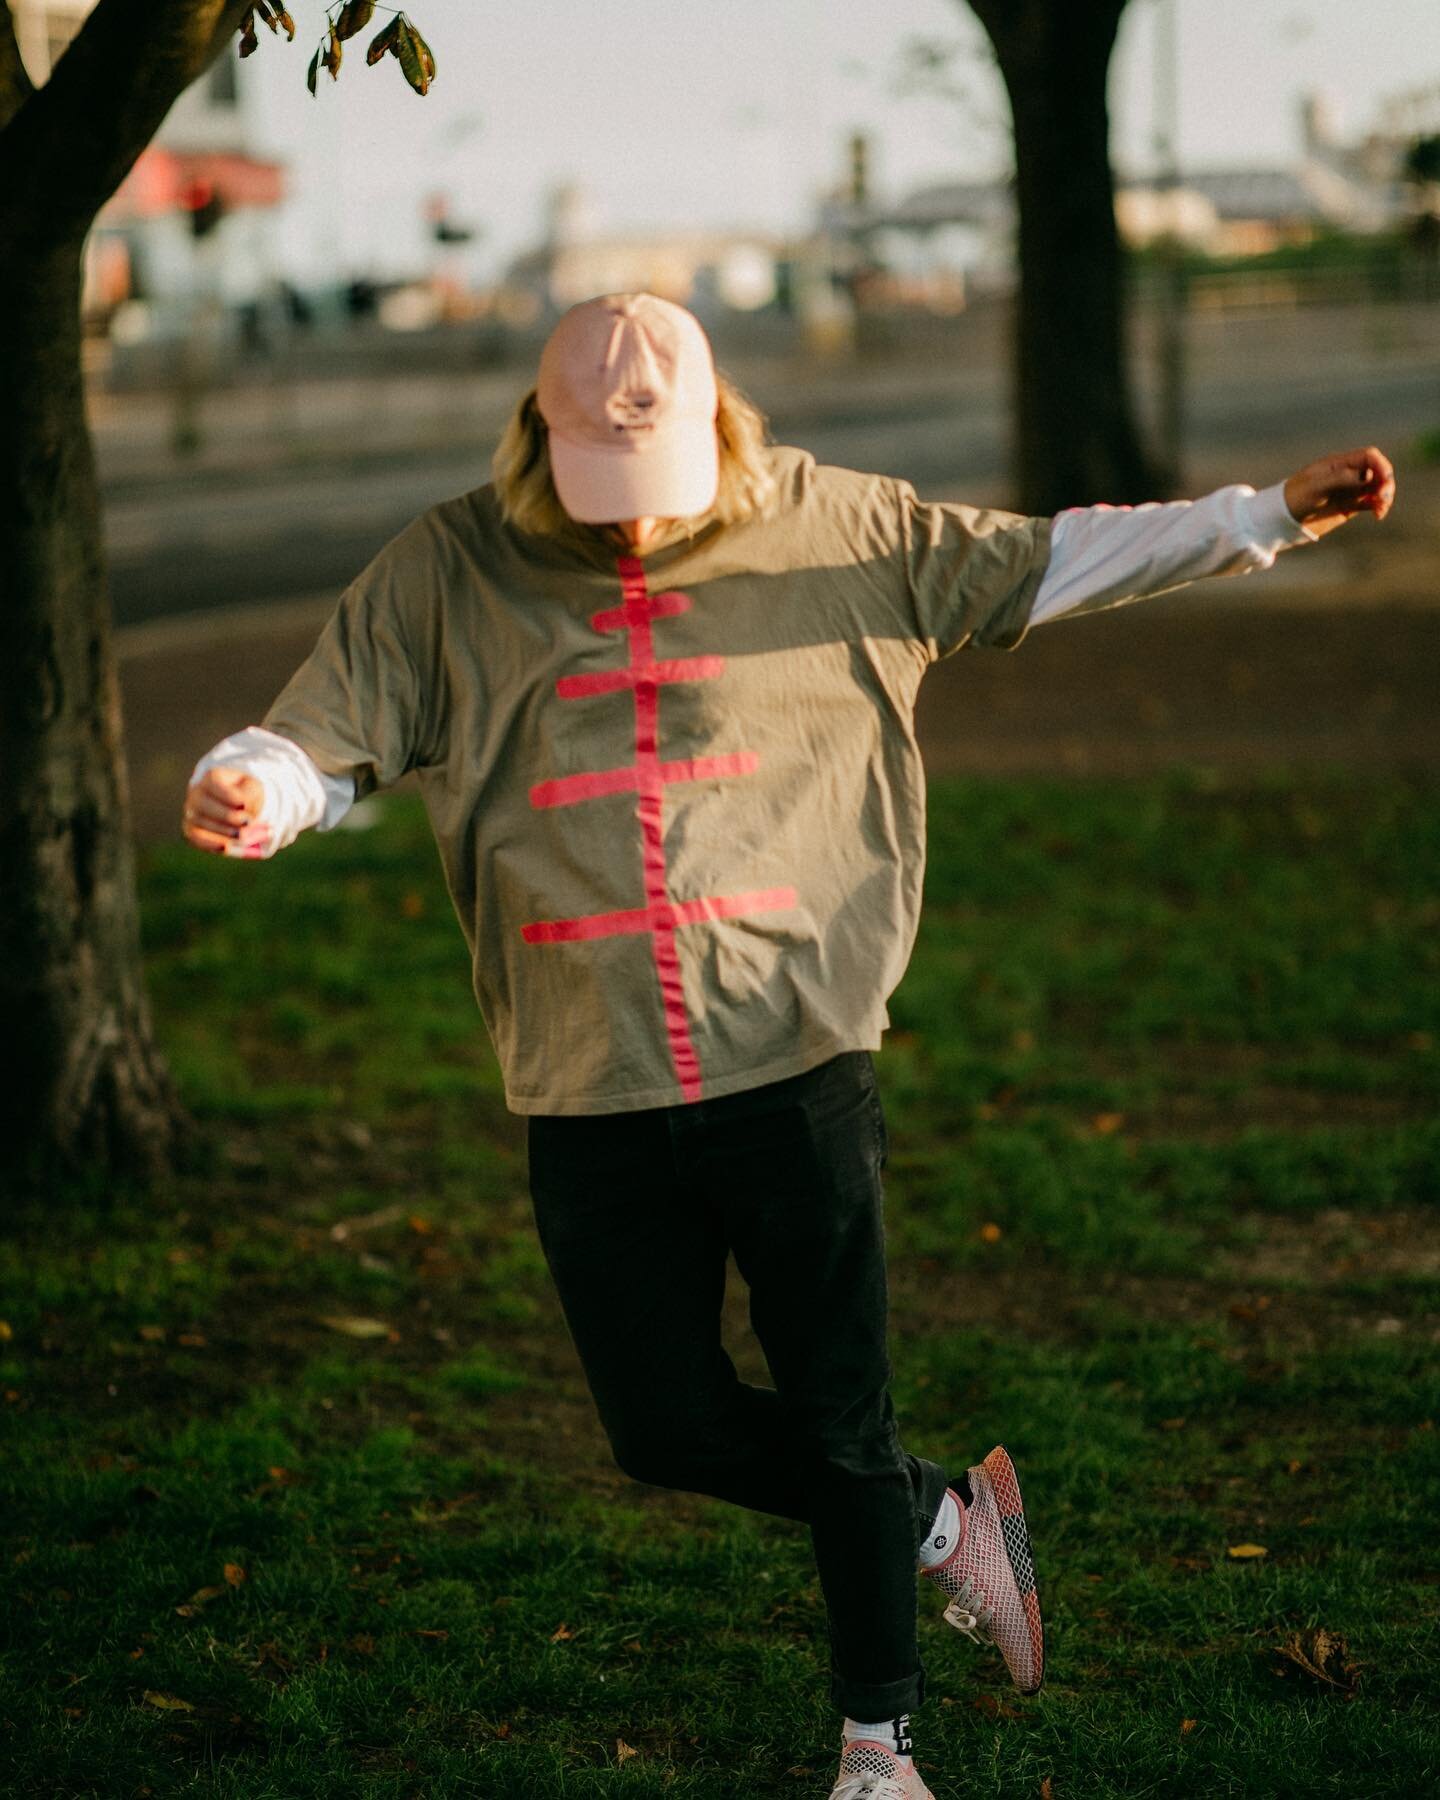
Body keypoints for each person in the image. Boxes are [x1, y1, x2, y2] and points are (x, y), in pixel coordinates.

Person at [182, 293, 1394, 1800]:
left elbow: (1050, 559)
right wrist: (255, 785)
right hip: (588, 1074)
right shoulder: (449, 568)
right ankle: (943, 1520)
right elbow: (322, 733)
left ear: (720, 427)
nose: (630, 522)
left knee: (837, 1418)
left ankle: (878, 1753)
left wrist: (1261, 516)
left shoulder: (838, 522)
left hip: (797, 1060)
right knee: (659, 1425)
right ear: (537, 441)